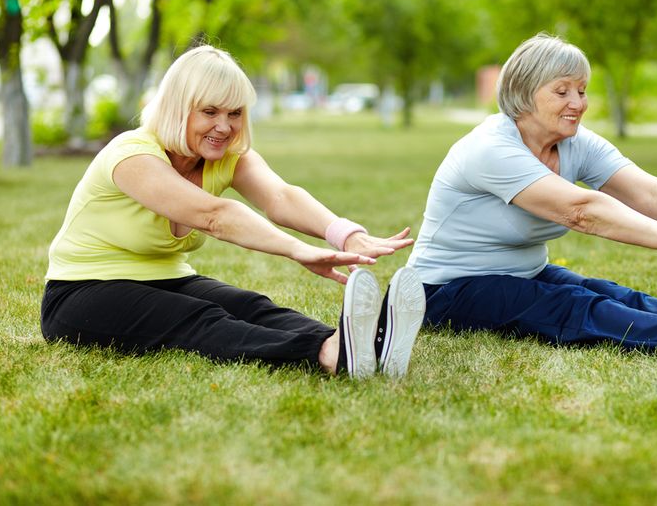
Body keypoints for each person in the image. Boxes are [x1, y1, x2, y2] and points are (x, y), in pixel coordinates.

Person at [41, 45, 425, 378]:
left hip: (165, 278)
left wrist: (344, 233)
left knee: (251, 306)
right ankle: (326, 354)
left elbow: (281, 196)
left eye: (235, 113)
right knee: (200, 321)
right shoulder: (132, 155)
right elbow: (214, 215)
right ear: (179, 109)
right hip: (82, 292)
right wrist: (296, 249)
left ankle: (361, 345)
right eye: (210, 111)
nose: (224, 127)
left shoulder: (227, 157)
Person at [406, 33, 657, 358]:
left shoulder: (574, 142)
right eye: (562, 91)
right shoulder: (490, 148)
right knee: (572, 306)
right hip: (441, 292)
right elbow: (580, 211)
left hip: (520, 273)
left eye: (582, 90)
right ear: (522, 93)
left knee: (608, 294)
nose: (578, 103)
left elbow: (647, 191)